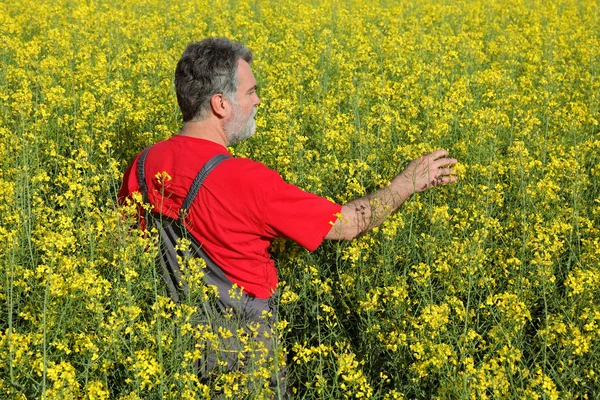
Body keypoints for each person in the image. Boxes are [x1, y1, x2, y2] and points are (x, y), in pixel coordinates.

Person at [118, 37, 457, 397]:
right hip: (244, 356)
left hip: (171, 350)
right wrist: (406, 183)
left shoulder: (143, 163)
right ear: (221, 104)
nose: (257, 101)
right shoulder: (245, 181)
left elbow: (123, 243)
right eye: (250, 92)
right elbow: (350, 223)